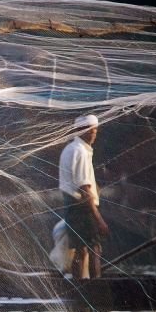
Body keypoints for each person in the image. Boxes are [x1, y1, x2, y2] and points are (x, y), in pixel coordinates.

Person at [59, 115, 108, 279]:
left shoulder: (70, 149)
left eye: (95, 129)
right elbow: (84, 189)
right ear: (79, 131)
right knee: (94, 247)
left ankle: (78, 287)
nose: (93, 132)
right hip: (81, 206)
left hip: (70, 205)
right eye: (89, 129)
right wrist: (99, 218)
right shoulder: (80, 152)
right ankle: (94, 289)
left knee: (81, 249)